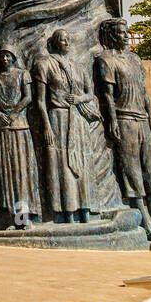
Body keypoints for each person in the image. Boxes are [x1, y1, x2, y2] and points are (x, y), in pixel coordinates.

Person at [94, 18, 151, 242]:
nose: (125, 36)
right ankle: (144, 217)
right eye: (120, 33)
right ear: (111, 36)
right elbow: (107, 95)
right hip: (124, 117)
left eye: (126, 32)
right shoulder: (105, 60)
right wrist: (111, 120)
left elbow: (143, 89)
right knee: (131, 169)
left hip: (141, 118)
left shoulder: (135, 58)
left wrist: (150, 117)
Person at [32, 29, 100, 224]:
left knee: (81, 163)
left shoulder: (78, 67)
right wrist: (46, 125)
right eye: (63, 39)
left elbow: (90, 93)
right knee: (61, 164)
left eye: (69, 39)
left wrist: (79, 98)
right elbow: (39, 100)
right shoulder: (44, 64)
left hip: (77, 118)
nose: (67, 42)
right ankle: (65, 212)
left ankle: (85, 210)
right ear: (54, 43)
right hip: (57, 118)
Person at [0, 48, 41, 227]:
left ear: (14, 57)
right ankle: (11, 217)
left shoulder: (23, 75)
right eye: (2, 55)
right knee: (6, 174)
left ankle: (24, 217)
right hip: (2, 129)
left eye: (8, 55)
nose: (5, 58)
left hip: (20, 128)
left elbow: (28, 97)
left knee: (21, 173)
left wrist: (14, 113)